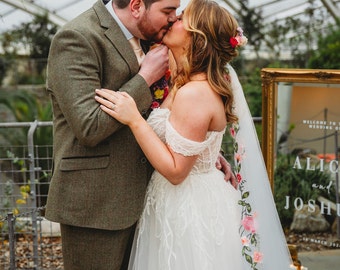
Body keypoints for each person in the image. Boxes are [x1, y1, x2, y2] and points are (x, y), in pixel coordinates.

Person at [95, 0, 294, 269]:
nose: (173, 19)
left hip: (189, 210)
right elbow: (188, 140)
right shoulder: (188, 83)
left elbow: (177, 171)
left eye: (181, 18)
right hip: (178, 201)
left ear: (196, 36)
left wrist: (133, 119)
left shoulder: (195, 93)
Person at [45, 0, 233, 269]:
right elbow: (88, 126)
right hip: (98, 204)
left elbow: (181, 113)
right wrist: (144, 78)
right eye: (168, 11)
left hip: (155, 203)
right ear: (136, 6)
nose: (172, 19)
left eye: (177, 14)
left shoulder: (156, 39)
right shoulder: (77, 38)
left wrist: (200, 150)